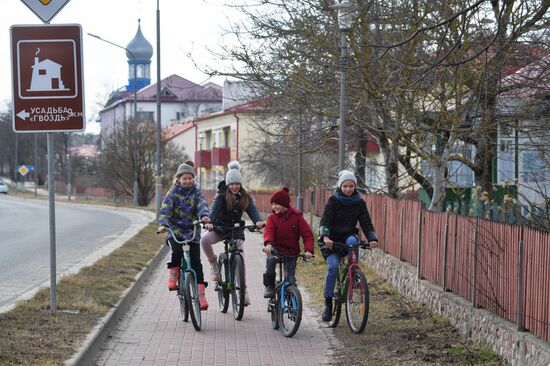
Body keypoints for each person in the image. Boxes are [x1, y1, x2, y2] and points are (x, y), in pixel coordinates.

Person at [318, 170, 379, 321]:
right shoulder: (333, 201)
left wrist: (372, 239)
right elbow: (325, 220)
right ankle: (328, 303)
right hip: (331, 240)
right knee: (333, 267)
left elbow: (366, 222)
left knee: (353, 241)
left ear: (355, 187)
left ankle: (354, 273)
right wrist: (325, 236)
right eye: (345, 186)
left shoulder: (359, 202)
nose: (348, 189)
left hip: (347, 236)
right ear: (340, 186)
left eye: (351, 186)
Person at [202, 161, 264, 306]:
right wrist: (209, 221)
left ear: (240, 184)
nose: (235, 186)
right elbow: (213, 209)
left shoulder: (244, 196)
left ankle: (243, 290)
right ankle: (213, 264)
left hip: (236, 231)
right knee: (204, 239)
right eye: (232, 184)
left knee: (239, 259)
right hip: (220, 228)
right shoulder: (221, 195)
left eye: (237, 184)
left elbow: (253, 210)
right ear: (228, 184)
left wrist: (258, 221)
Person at [158, 161, 211, 310]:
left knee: (196, 263)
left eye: (190, 178)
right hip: (175, 230)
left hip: (192, 231)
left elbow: (202, 205)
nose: (187, 181)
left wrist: (205, 217)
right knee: (177, 251)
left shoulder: (196, 192)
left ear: (193, 179)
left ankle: (201, 294)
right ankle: (174, 273)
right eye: (184, 178)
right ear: (178, 179)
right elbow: (165, 209)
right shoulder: (173, 192)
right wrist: (164, 223)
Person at [262, 186, 314, 298]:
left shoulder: (297, 217)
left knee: (290, 280)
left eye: (276, 204)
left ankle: (292, 302)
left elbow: (307, 234)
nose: (273, 207)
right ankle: (269, 285)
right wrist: (269, 244)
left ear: (285, 204)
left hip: (291, 251)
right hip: (276, 249)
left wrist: (308, 250)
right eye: (272, 204)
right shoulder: (272, 218)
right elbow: (268, 231)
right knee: (270, 261)